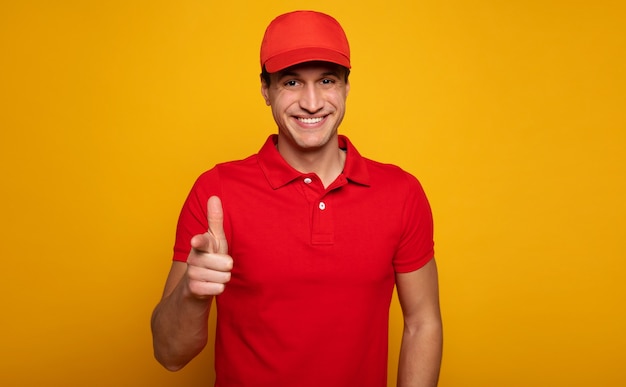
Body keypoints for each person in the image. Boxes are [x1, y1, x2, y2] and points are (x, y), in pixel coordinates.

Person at [151, 10, 442, 387]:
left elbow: (423, 323)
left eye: (326, 80)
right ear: (265, 90)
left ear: (346, 88)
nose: (311, 102)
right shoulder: (216, 192)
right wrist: (192, 291)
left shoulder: (401, 193)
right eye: (291, 82)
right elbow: (169, 354)